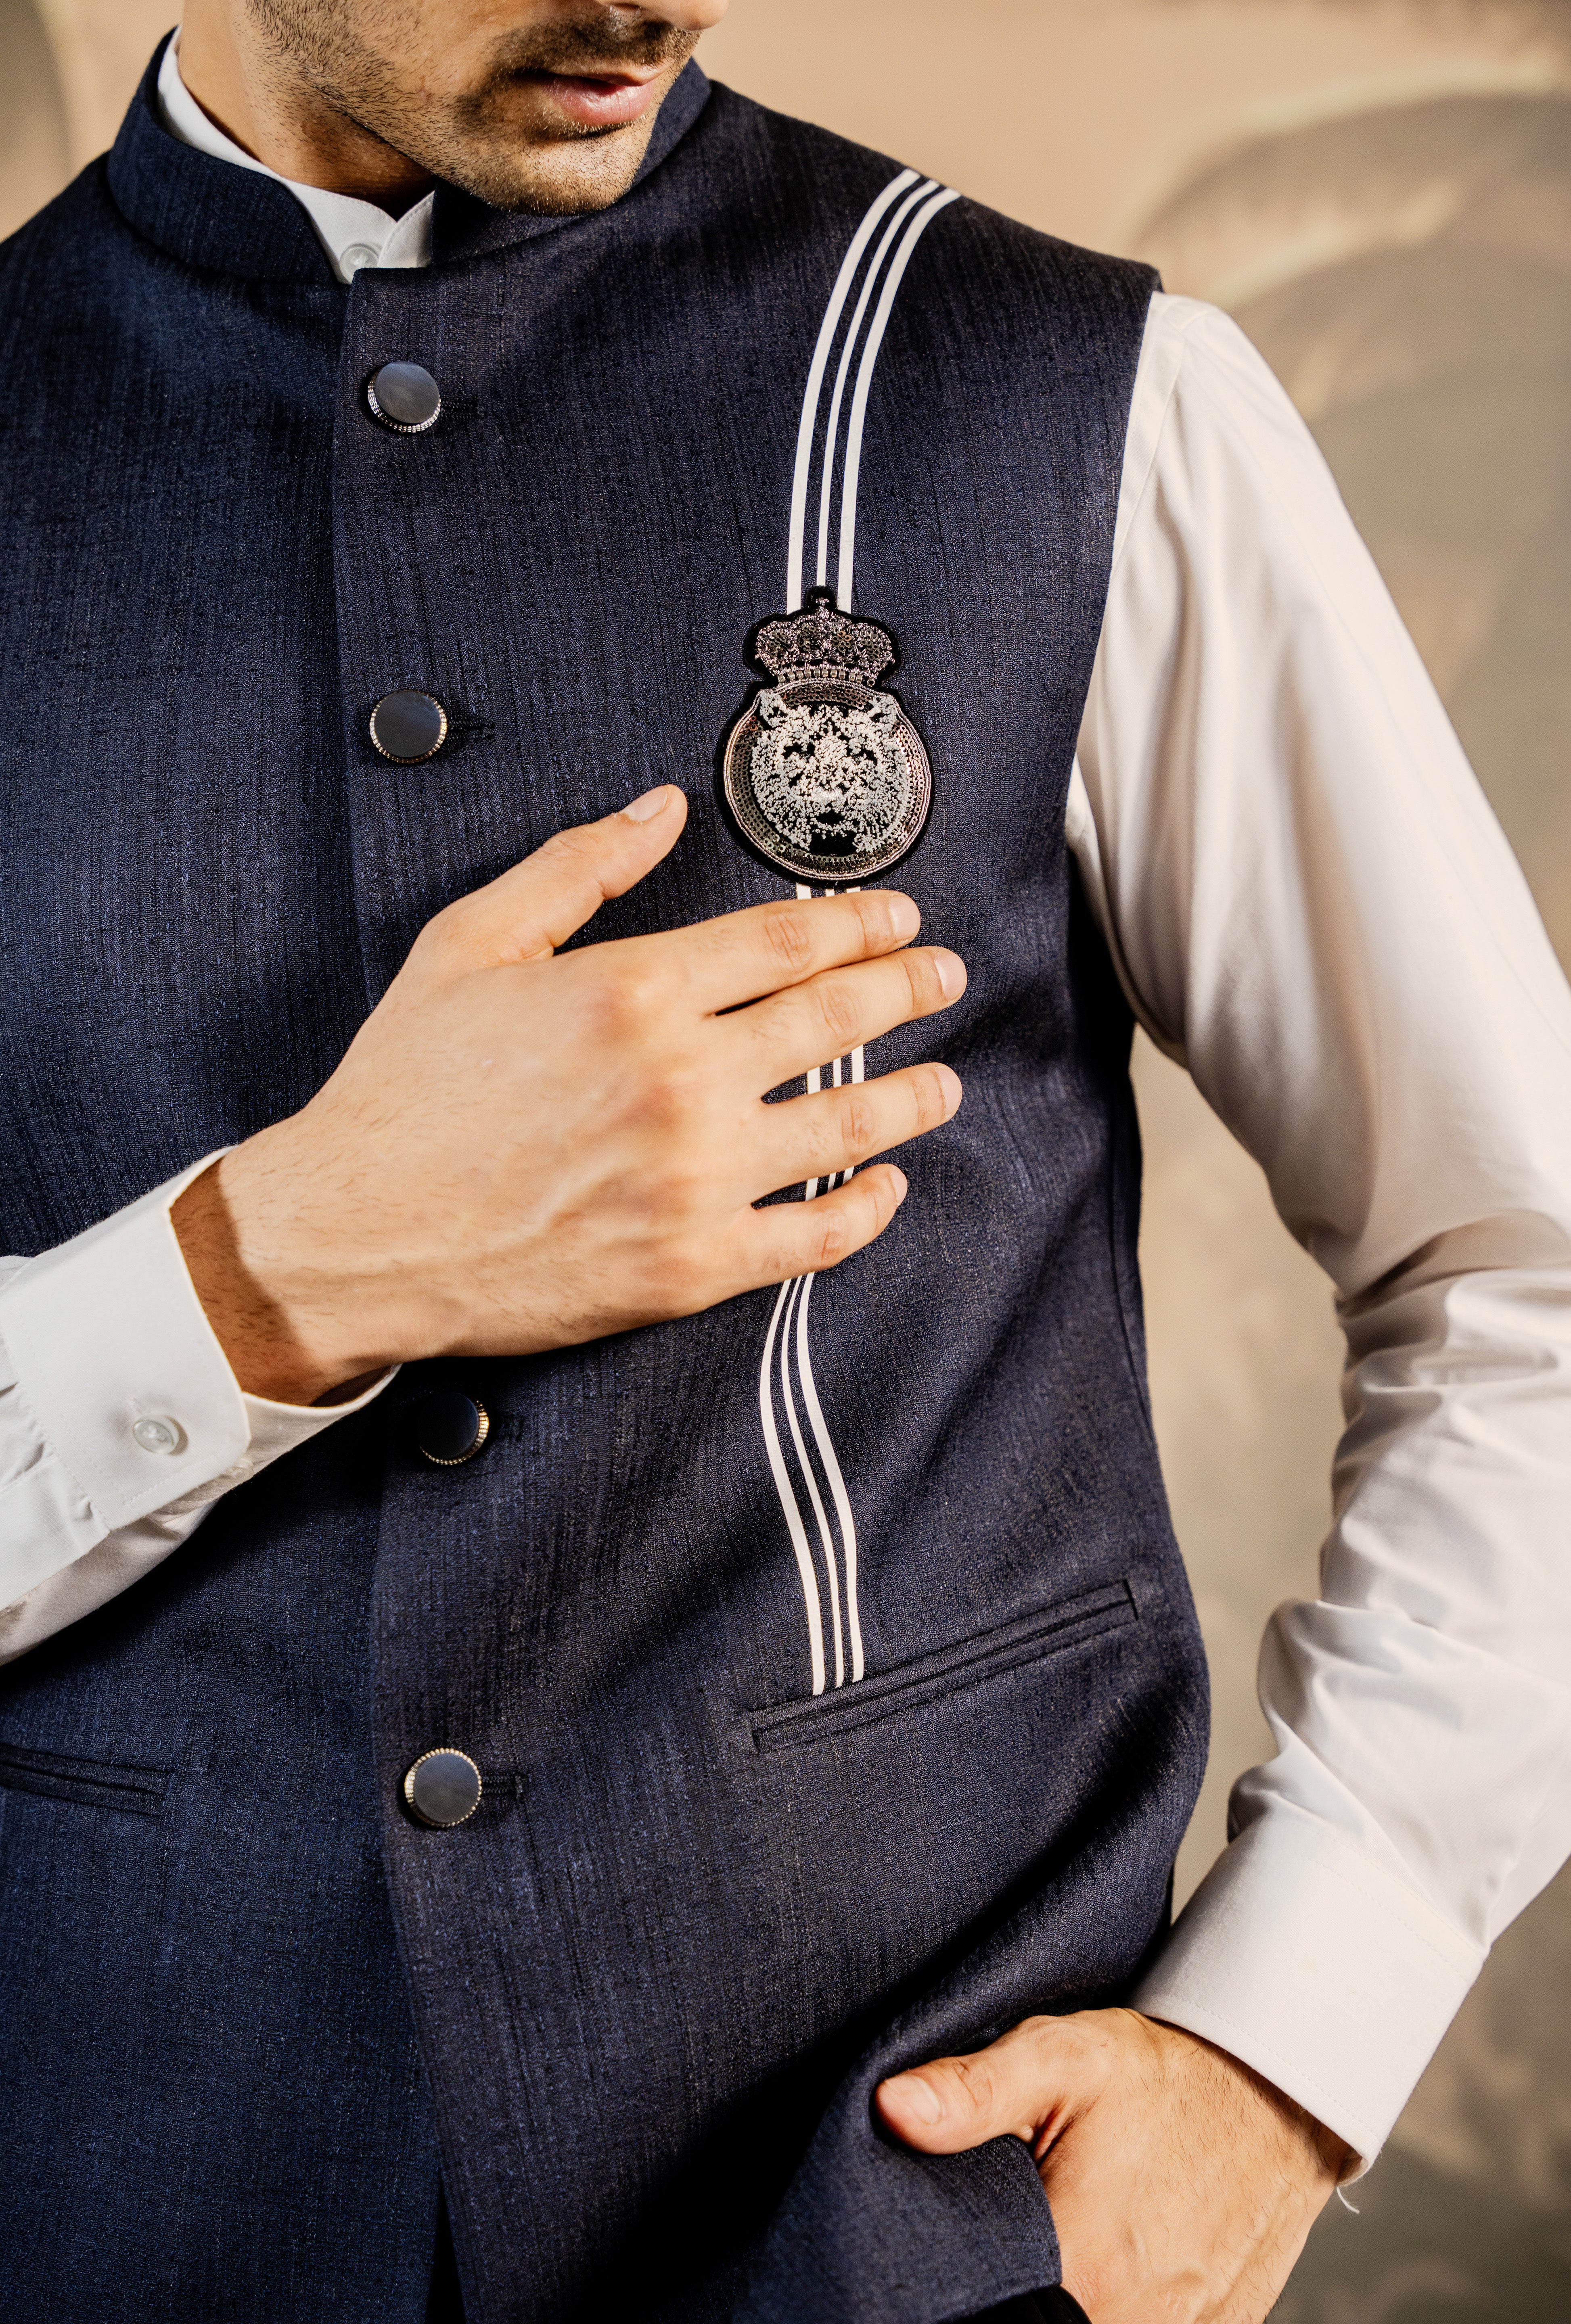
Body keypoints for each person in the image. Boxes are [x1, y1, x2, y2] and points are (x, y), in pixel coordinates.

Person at [1, 3, 1567, 2319]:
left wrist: (1278, 2047)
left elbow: (1519, 1276)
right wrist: (268, 1275)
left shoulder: (1085, 399)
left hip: (913, 2245)